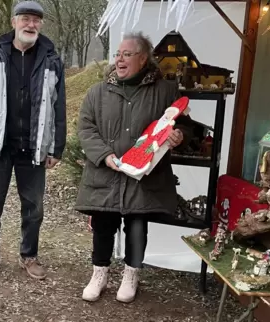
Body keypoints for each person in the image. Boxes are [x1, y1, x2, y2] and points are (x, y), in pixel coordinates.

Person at [75, 32, 193, 303]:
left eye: (127, 54)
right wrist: (104, 155)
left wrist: (179, 136)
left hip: (144, 174)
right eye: (118, 54)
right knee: (103, 223)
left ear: (143, 58)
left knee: (137, 224)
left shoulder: (165, 91)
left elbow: (184, 124)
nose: (119, 59)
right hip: (107, 170)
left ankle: (131, 273)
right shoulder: (97, 92)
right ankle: (99, 273)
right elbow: (86, 128)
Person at [0, 0, 66, 281]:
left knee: (34, 206)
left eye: (36, 20)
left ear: (41, 24)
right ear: (13, 22)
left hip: (34, 146)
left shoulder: (51, 59)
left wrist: (56, 146)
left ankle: (29, 255)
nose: (30, 25)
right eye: (25, 19)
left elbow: (59, 107)